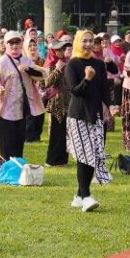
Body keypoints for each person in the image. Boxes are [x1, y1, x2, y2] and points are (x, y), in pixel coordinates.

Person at [63, 31, 114, 211]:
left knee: (93, 154)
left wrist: (111, 105)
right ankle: (85, 196)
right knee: (84, 156)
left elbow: (104, 89)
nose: (87, 44)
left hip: (96, 116)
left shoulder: (99, 65)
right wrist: (87, 79)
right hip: (78, 116)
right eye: (84, 41)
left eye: (91, 41)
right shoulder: (73, 64)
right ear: (78, 42)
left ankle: (79, 195)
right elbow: (75, 91)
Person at [0, 31, 44, 160]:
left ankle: (17, 168)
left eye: (17, 42)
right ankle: (7, 170)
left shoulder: (25, 59)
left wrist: (27, 69)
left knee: (19, 141)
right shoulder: (2, 61)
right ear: (6, 44)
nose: (14, 45)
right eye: (10, 43)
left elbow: (41, 75)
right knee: (7, 143)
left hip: (21, 108)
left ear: (21, 43)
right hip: (5, 108)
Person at [42, 38, 73, 167]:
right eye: (59, 49)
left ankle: (62, 160)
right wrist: (57, 69)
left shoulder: (67, 62)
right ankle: (52, 160)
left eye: (63, 48)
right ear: (54, 51)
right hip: (56, 102)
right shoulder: (50, 63)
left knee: (65, 132)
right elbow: (47, 83)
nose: (62, 51)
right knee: (56, 132)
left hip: (68, 100)